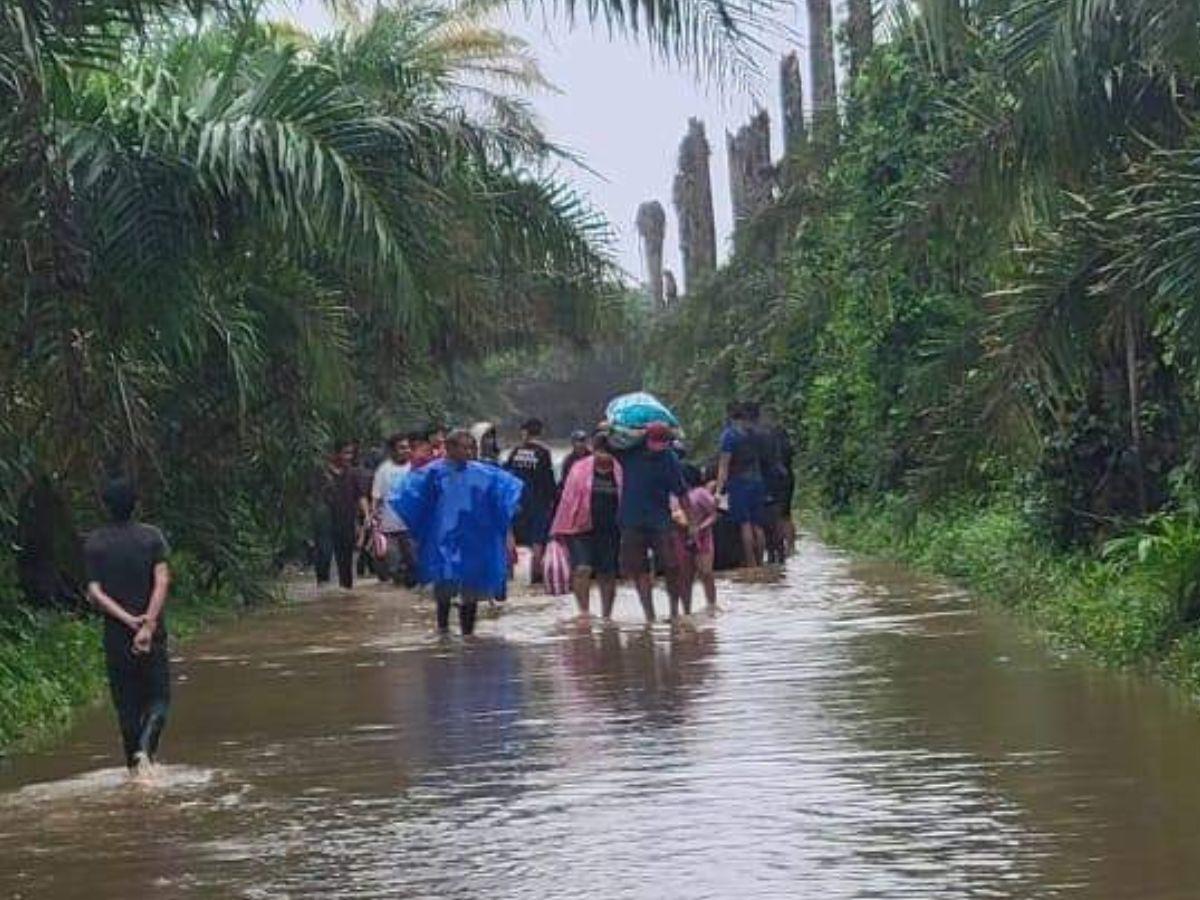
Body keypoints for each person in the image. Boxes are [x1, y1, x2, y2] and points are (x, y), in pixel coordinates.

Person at [396, 430, 524, 635]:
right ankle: (443, 631)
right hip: (444, 539)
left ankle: (468, 635)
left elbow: (505, 497)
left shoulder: (484, 473)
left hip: (474, 538)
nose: (468, 452)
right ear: (450, 448)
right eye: (464, 447)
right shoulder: (434, 473)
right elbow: (413, 498)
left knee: (471, 588)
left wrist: (506, 526)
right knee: (444, 587)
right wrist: (421, 532)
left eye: (471, 447)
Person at [84, 477, 172, 773]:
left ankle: (134, 772)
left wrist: (127, 620)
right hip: (152, 635)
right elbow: (161, 581)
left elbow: (95, 592)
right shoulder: (152, 537)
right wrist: (148, 625)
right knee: (159, 700)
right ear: (136, 504)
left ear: (106, 506)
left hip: (117, 637)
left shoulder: (95, 542)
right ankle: (146, 755)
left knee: (127, 707)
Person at [616, 421, 695, 621]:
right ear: (646, 440)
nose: (658, 447)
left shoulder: (669, 459)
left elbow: (682, 493)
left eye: (662, 443)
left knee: (671, 565)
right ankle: (649, 615)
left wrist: (692, 523)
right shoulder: (629, 453)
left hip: (659, 520)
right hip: (631, 520)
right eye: (655, 442)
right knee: (639, 569)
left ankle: (674, 611)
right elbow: (601, 441)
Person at [552, 432, 623, 618]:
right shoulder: (579, 468)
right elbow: (567, 498)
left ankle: (607, 615)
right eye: (602, 452)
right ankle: (584, 612)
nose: (605, 457)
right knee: (582, 568)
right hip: (580, 527)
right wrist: (559, 527)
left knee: (607, 573)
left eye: (609, 453)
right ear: (595, 450)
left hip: (610, 530)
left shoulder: (620, 470)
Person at [504, 417, 557, 584]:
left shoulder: (515, 451)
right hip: (539, 502)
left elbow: (507, 476)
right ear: (540, 432)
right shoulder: (543, 453)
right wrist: (554, 499)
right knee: (538, 540)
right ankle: (536, 577)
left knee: (510, 535)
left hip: (517, 501)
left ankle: (508, 575)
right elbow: (548, 479)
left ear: (524, 431)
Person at [714, 402, 766, 568]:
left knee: (745, 524)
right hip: (758, 482)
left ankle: (750, 564)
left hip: (739, 484)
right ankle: (760, 563)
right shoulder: (756, 434)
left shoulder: (729, 435)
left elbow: (724, 466)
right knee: (757, 525)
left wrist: (718, 491)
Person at [313, 439, 368, 589]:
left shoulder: (353, 473)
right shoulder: (322, 473)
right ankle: (322, 586)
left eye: (350, 453)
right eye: (345, 453)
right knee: (324, 553)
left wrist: (367, 516)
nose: (348, 457)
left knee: (345, 560)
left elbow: (361, 496)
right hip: (326, 521)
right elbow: (314, 496)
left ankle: (346, 591)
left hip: (347, 521)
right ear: (335, 454)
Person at [749, 403, 796, 562]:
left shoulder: (755, 435)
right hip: (784, 476)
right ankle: (787, 550)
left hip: (767, 479)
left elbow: (756, 460)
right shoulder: (779, 433)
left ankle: (769, 555)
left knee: (765, 520)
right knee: (783, 515)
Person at [672, 466, 719, 612]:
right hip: (681, 539)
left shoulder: (700, 493)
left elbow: (714, 514)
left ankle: (711, 605)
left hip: (703, 539)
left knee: (706, 572)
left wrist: (701, 527)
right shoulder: (672, 497)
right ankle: (686, 610)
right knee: (685, 577)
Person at [371, 433, 415, 586]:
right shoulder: (383, 470)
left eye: (408, 447)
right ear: (393, 450)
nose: (406, 450)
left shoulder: (415, 467)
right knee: (394, 567)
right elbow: (376, 497)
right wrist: (372, 520)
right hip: (389, 528)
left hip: (411, 526)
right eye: (402, 448)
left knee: (414, 565)